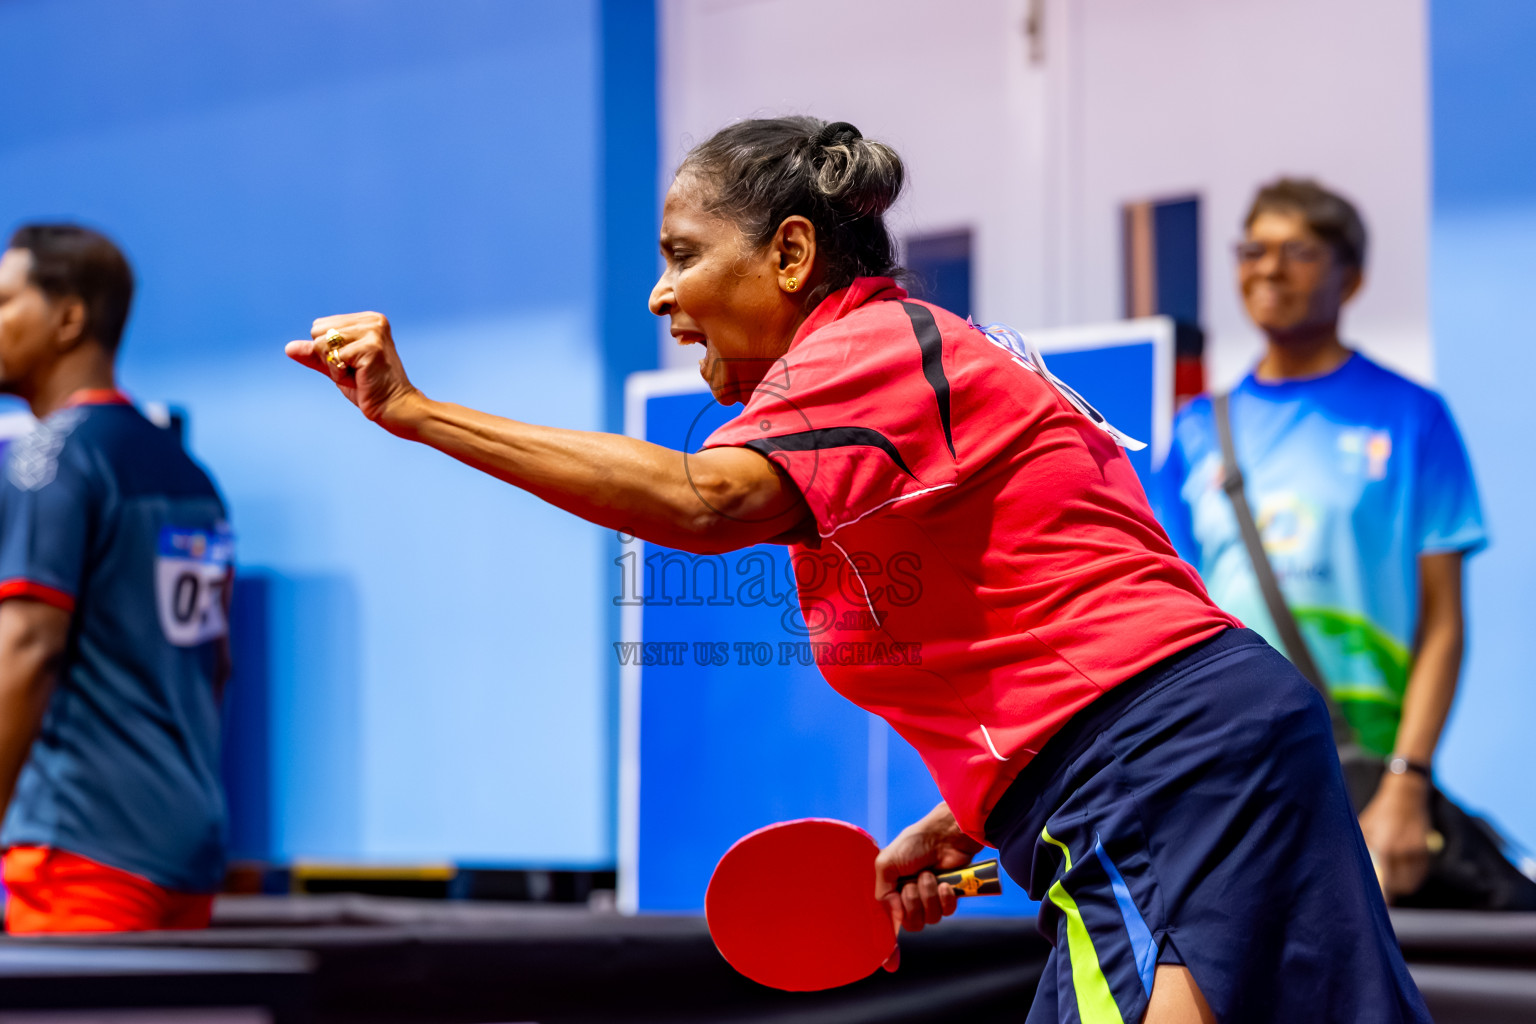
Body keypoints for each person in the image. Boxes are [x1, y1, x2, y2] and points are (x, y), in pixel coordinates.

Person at [289, 118, 1429, 1022]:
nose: (659, 295)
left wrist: (421, 414)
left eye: (683, 256)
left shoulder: (863, 348)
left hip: (1160, 773)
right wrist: (977, 807)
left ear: (790, 252)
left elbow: (699, 502)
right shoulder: (905, 365)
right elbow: (1070, 592)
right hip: (1191, 750)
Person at [1156, 178, 1485, 904]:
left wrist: (1407, 782)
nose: (1268, 268)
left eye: (1299, 250)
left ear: (1353, 277)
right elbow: (1175, 620)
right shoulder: (1194, 432)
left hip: (1362, 779)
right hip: (1229, 775)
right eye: (1253, 249)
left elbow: (1443, 625)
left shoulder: (1412, 416)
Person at [0, 225, 233, 932]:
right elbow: (216, 665)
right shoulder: (188, 473)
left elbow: (25, 649)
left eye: (5, 301)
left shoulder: (48, 461)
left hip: (82, 850)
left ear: (67, 319)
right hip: (184, 848)